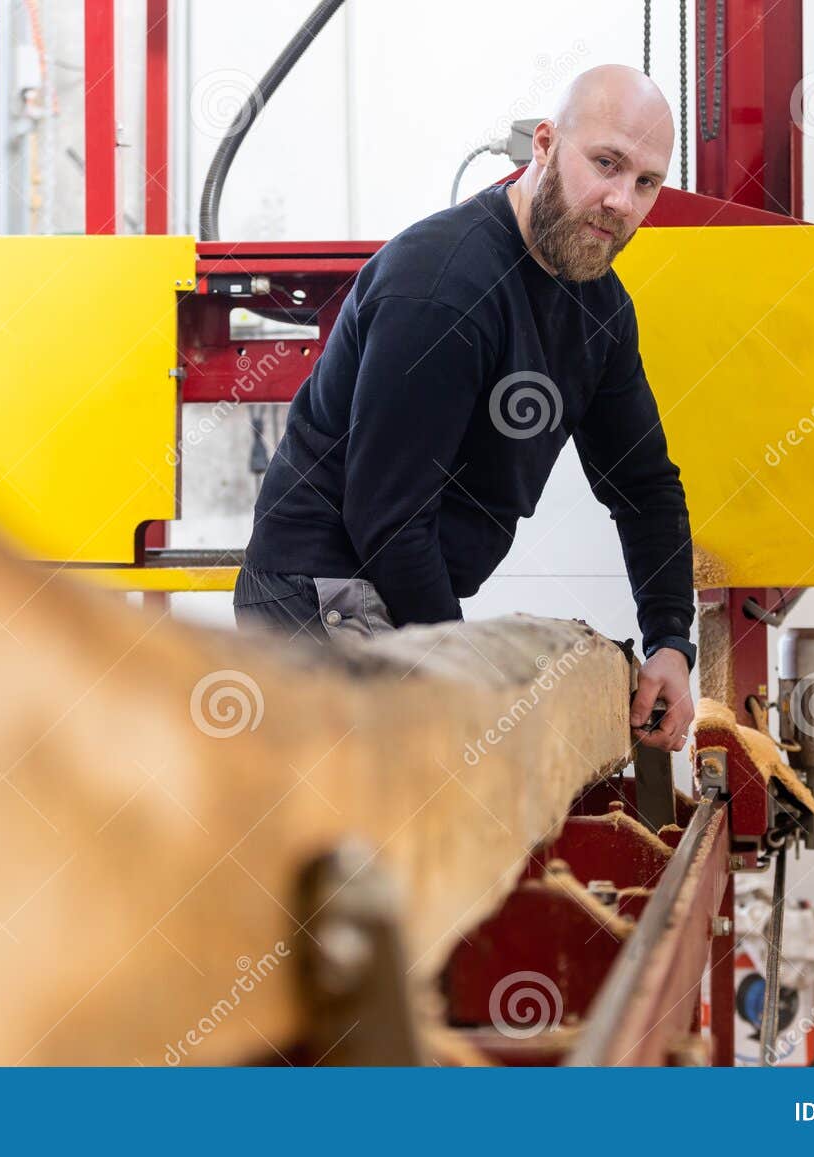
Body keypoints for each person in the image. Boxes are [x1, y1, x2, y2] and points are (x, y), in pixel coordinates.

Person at [233, 64, 696, 753]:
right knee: (404, 826)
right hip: (320, 590)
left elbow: (645, 487)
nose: (622, 202)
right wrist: (466, 684)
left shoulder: (600, 310)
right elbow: (387, 519)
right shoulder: (443, 287)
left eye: (646, 182)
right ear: (543, 145)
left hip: (393, 586)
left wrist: (670, 641)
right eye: (606, 164)